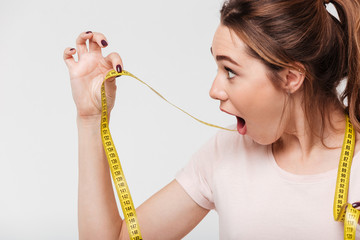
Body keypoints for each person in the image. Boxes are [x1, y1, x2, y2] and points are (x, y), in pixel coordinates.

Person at [63, 0, 360, 239]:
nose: (214, 90)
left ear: (291, 77)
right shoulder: (225, 152)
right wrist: (90, 118)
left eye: (230, 71)